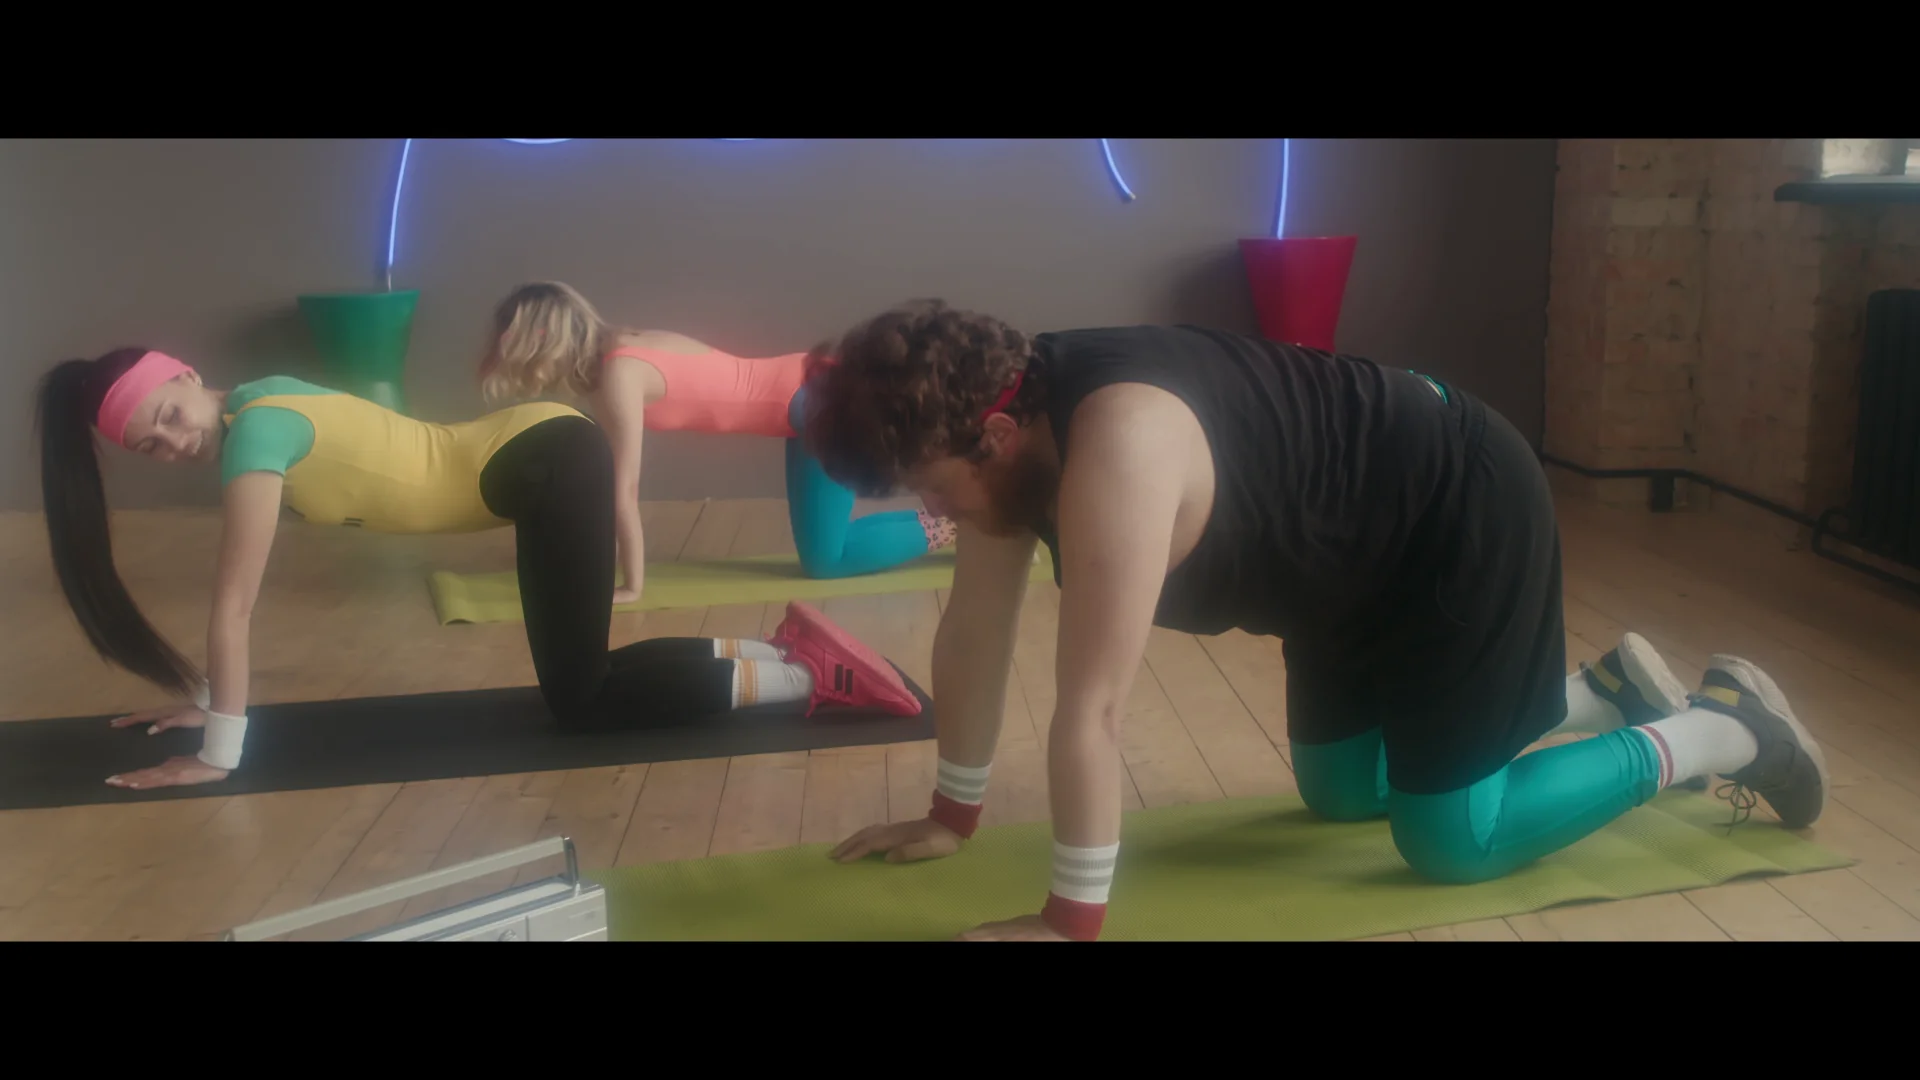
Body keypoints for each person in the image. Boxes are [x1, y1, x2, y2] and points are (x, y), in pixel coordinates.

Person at [798, 299, 1830, 942]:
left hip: (1455, 509)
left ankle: (1725, 729)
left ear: (991, 433)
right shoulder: (1006, 418)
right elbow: (976, 635)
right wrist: (951, 816)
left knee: (1451, 842)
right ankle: (1597, 696)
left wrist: (1071, 923)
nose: (936, 517)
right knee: (1342, 797)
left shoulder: (1119, 451)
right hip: (1343, 570)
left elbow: (1094, 712)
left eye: (930, 492)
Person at [34, 348, 923, 791]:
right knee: (585, 687)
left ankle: (811, 673)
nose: (176, 441)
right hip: (536, 462)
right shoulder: (260, 403)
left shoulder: (256, 435)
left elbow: (234, 608)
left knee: (584, 702)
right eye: (155, 445)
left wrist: (219, 753)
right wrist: (202, 693)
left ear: (188, 375)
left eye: (172, 413)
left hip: (545, 461)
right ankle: (786, 651)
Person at [478, 282, 957, 604]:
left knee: (827, 563)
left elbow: (621, 489)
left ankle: (957, 524)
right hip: (805, 400)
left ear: (541, 337)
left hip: (819, 402)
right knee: (824, 557)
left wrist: (632, 586)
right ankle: (956, 518)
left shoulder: (619, 374)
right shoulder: (623, 347)